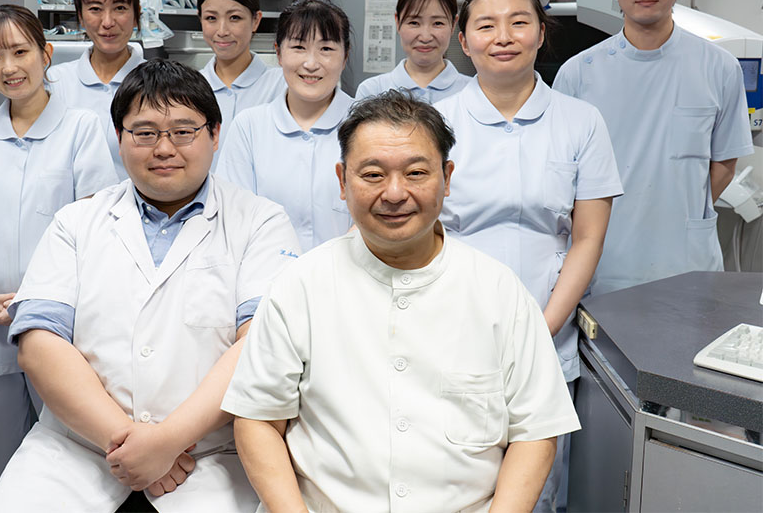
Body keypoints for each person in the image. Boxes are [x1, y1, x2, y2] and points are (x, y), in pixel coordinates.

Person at [222, 91, 580, 513]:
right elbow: (258, 419)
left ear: (447, 177)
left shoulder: (500, 292)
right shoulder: (300, 286)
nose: (394, 193)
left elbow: (535, 431)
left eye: (416, 173)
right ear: (342, 181)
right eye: (373, 174)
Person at [0, 58, 300, 512]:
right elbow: (39, 346)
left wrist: (168, 441)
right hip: (78, 451)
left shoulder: (260, 222)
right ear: (119, 138)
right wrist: (132, 445)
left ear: (214, 134)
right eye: (145, 132)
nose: (164, 148)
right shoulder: (76, 222)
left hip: (208, 456)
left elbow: (257, 346)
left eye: (184, 131)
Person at [435, 0, 622, 512]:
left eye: (519, 22)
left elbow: (588, 238)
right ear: (463, 40)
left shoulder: (581, 122)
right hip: (451, 329)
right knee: (449, 481)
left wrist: (541, 331)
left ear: (542, 32)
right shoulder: (437, 123)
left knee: (537, 490)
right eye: (486, 25)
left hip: (548, 334)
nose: (503, 36)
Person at [0, 4, 118, 503]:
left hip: (60, 320)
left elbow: (94, 229)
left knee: (67, 452)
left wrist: (37, 298)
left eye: (20, 52)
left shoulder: (82, 127)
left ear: (46, 54)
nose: (9, 67)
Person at [553, 0, 754, 295]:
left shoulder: (719, 67)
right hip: (604, 261)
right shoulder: (578, 74)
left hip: (687, 261)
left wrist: (681, 213)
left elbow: (725, 164)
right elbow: (561, 175)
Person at [217, 0, 354, 250]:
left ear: (345, 56)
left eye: (326, 48)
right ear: (278, 53)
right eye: (299, 47)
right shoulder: (250, 127)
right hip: (265, 271)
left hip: (347, 270)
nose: (311, 63)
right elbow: (232, 217)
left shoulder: (367, 124)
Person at [46, 0, 145, 180]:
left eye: (120, 8)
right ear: (80, 16)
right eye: (95, 9)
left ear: (136, 15)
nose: (107, 22)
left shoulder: (158, 84)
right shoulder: (54, 83)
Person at [197, 0, 285, 149]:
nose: (222, 31)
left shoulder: (282, 85)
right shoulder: (189, 88)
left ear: (256, 20)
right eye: (211, 18)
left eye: (234, 18)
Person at [355, 0, 471, 102]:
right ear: (397, 22)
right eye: (414, 23)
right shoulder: (372, 92)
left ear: (453, 24)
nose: (425, 37)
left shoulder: (471, 91)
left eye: (438, 23)